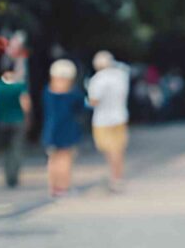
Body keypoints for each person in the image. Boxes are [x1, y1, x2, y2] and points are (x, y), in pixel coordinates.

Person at [87, 50, 130, 192]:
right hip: (120, 116)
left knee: (109, 149)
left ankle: (114, 177)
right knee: (118, 149)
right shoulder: (121, 76)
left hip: (103, 120)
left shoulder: (97, 79)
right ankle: (118, 176)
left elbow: (93, 101)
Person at [0, 62, 31, 187]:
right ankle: (14, 175)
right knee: (17, 149)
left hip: (2, 122)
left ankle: (8, 175)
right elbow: (25, 103)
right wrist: (27, 118)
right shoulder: (19, 85)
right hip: (18, 121)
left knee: (5, 150)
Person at [42, 59, 84, 197]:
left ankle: (53, 187)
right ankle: (64, 187)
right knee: (65, 159)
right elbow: (81, 107)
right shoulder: (73, 94)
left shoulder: (48, 91)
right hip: (68, 129)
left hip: (51, 129)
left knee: (52, 159)